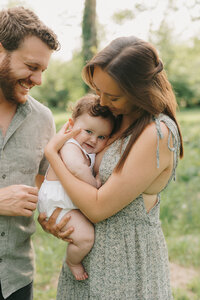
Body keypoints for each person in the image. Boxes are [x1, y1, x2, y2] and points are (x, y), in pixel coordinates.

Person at [39, 36, 184, 300]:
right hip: (89, 259)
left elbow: (96, 208)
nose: (102, 102)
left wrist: (53, 155)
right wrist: (58, 216)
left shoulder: (157, 132)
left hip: (126, 264)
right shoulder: (113, 119)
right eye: (98, 90)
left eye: (113, 95)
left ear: (139, 91)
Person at [0, 6, 73, 300]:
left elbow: (44, 184)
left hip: (16, 280)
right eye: (32, 66)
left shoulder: (43, 119)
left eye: (43, 70)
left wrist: (51, 215)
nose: (39, 80)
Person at [38, 94, 115, 281]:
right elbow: (76, 169)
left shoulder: (88, 149)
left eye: (102, 136)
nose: (93, 140)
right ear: (71, 125)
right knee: (86, 237)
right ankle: (73, 262)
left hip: (67, 201)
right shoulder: (69, 145)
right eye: (88, 131)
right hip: (58, 204)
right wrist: (95, 184)